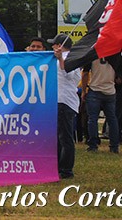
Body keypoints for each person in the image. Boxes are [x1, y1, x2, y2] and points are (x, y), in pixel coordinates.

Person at [50, 34, 82, 179]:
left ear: (60, 45)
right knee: (59, 136)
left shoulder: (69, 58)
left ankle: (66, 170)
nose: (52, 47)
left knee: (65, 137)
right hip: (61, 100)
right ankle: (58, 166)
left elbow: (68, 74)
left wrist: (61, 59)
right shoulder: (65, 57)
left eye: (54, 44)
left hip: (64, 101)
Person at [81, 55, 121, 153]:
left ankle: (93, 145)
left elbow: (85, 73)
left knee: (92, 119)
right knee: (112, 119)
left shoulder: (92, 55)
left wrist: (84, 90)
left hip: (95, 89)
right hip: (110, 90)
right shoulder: (115, 55)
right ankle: (114, 146)